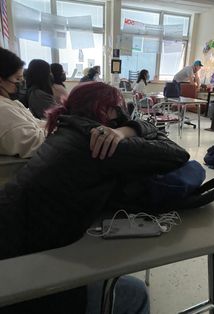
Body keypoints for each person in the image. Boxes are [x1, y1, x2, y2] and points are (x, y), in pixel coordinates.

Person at [0, 81, 189, 312]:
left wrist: (123, 130)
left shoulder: (62, 129)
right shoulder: (102, 144)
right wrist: (129, 129)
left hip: (12, 250)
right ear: (106, 110)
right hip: (24, 283)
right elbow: (179, 154)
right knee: (136, 293)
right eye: (118, 109)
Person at [0, 47, 46, 158]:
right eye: (18, 79)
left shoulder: (11, 103)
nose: (21, 84)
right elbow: (35, 142)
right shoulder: (3, 110)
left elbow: (37, 123)